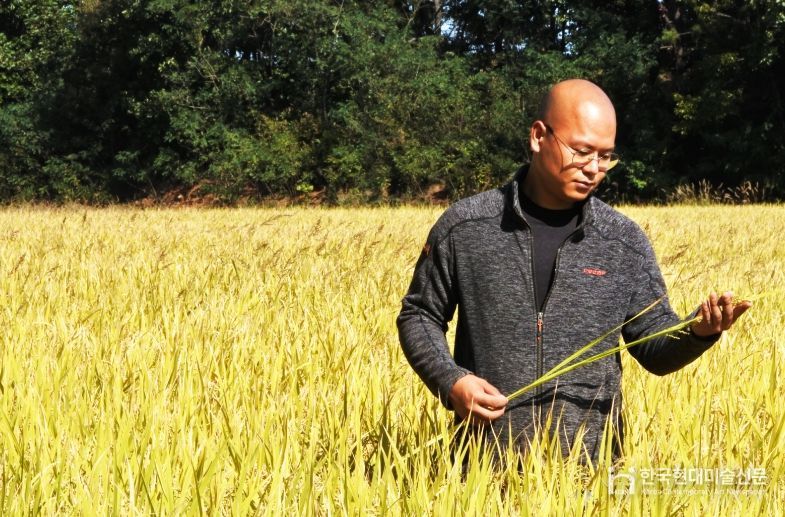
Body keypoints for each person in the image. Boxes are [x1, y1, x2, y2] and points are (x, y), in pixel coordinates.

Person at [396, 78, 751, 461]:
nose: (594, 169)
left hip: (590, 480)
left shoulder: (623, 242)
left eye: (605, 156)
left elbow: (653, 348)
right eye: (582, 152)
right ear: (538, 136)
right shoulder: (466, 227)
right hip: (481, 475)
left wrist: (698, 332)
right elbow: (419, 314)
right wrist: (452, 381)